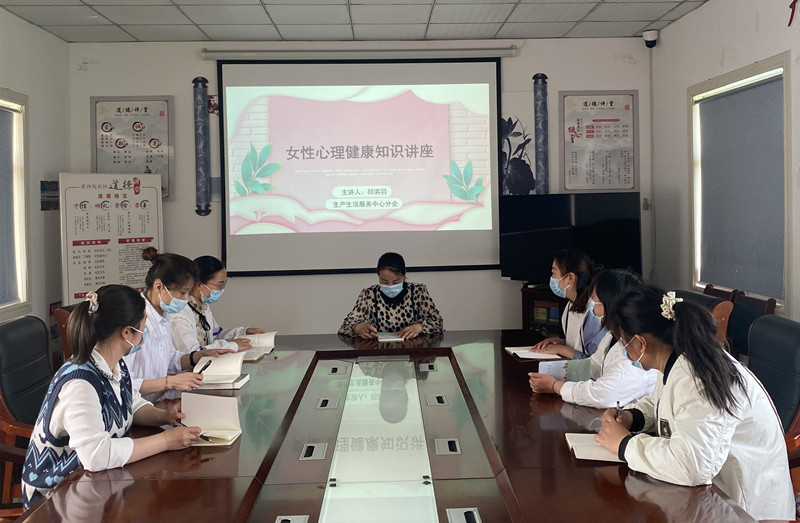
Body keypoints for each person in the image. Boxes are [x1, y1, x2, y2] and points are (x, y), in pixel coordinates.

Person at [594, 284, 794, 521]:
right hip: (710, 494)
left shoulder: (698, 375)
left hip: (744, 508)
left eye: (623, 343)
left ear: (640, 343)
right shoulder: (676, 358)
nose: (624, 352)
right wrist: (632, 417)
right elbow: (660, 401)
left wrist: (624, 445)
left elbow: (691, 465)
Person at [22, 285, 201, 507]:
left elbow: (131, 402)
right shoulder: (80, 383)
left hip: (97, 486)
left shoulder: (115, 364)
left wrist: (163, 416)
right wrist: (165, 440)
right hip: (56, 498)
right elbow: (95, 455)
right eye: (143, 323)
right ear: (127, 333)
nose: (146, 330)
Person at [528, 269, 658, 408]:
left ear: (610, 304)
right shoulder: (612, 335)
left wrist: (555, 386)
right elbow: (594, 364)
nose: (590, 303)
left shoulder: (636, 347)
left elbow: (603, 395)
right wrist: (554, 372)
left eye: (594, 299)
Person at [123, 248, 233, 401]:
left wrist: (198, 356)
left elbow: (169, 358)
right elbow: (123, 384)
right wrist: (170, 382)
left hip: (158, 402)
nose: (186, 299)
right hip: (137, 408)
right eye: (182, 292)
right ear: (159, 287)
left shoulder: (165, 316)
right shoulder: (133, 320)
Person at [171, 255, 265, 354]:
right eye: (219, 285)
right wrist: (233, 345)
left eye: (224, 284)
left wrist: (243, 332)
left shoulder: (203, 307)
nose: (221, 290)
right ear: (200, 285)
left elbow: (216, 334)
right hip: (194, 363)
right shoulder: (180, 313)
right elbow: (192, 353)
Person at [338, 252, 444, 339]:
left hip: (413, 350)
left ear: (403, 275)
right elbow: (345, 326)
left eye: (395, 282)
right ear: (378, 275)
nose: (390, 286)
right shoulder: (369, 294)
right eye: (384, 281)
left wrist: (419, 327)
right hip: (377, 351)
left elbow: (437, 322)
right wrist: (358, 327)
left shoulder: (418, 292)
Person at [531, 248, 606, 359]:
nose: (552, 278)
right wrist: (560, 342)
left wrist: (561, 349)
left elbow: (594, 363)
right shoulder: (571, 304)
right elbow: (579, 344)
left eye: (553, 273)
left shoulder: (593, 313)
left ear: (570, 278)